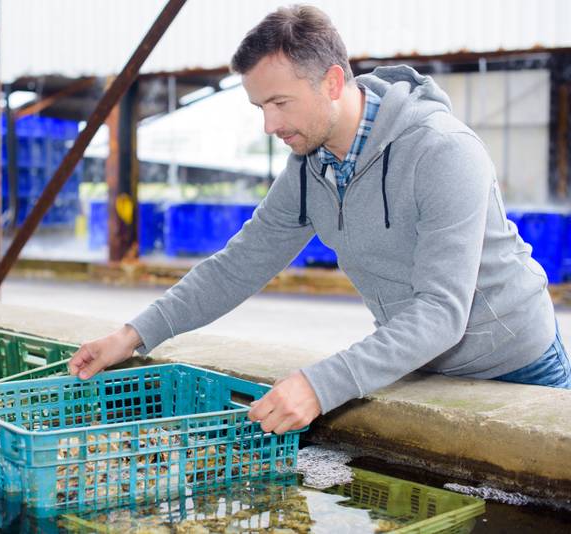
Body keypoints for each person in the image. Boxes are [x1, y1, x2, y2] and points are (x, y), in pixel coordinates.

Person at [68, 5, 569, 435]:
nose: (269, 125)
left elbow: (441, 311)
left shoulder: (443, 151)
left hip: (517, 367)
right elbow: (238, 264)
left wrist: (318, 385)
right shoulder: (310, 167)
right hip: (420, 366)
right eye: (260, 106)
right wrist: (132, 336)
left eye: (280, 103)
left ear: (331, 82)